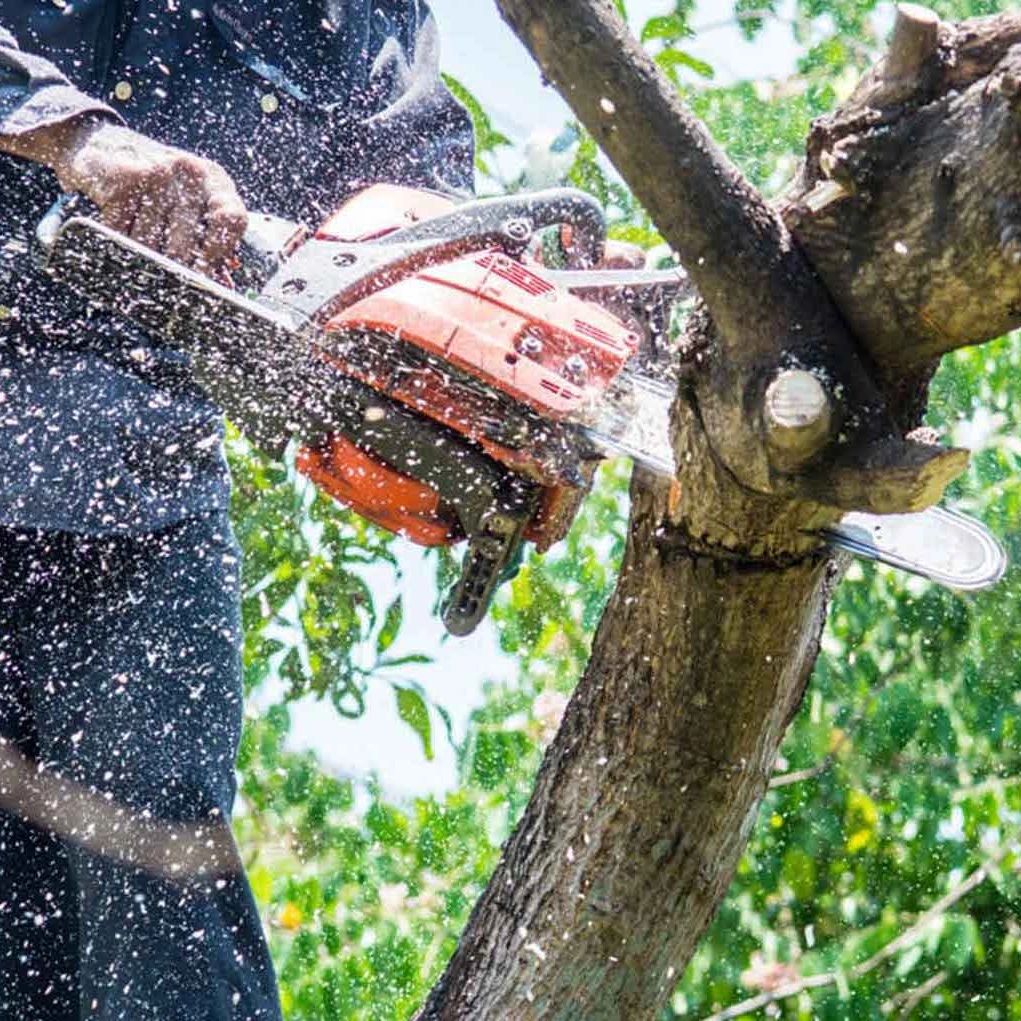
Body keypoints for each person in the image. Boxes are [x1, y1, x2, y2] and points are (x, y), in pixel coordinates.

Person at [0, 4, 473, 1019]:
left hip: (141, 479)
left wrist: (473, 331)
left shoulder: (362, 18)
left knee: (160, 884)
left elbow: (415, 198)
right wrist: (75, 134)